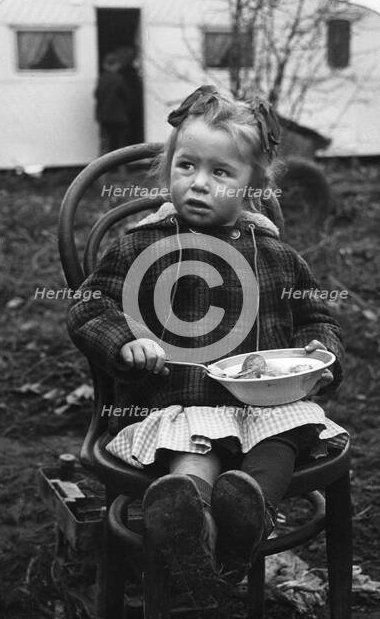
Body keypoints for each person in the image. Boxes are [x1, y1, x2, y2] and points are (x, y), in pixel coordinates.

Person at [67, 85, 348, 606]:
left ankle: (244, 514)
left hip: (267, 403)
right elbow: (88, 306)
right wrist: (124, 340)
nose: (198, 183)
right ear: (168, 166)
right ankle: (188, 515)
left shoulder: (277, 255)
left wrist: (317, 354)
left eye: (220, 173)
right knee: (191, 456)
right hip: (182, 400)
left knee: (284, 433)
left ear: (252, 188)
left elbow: (316, 316)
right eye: (186, 165)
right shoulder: (141, 245)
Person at [94, 51, 130, 156]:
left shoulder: (102, 78)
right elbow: (127, 96)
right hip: (119, 117)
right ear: (115, 65)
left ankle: (101, 170)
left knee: (105, 143)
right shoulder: (119, 79)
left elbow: (96, 94)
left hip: (104, 117)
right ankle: (122, 171)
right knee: (121, 145)